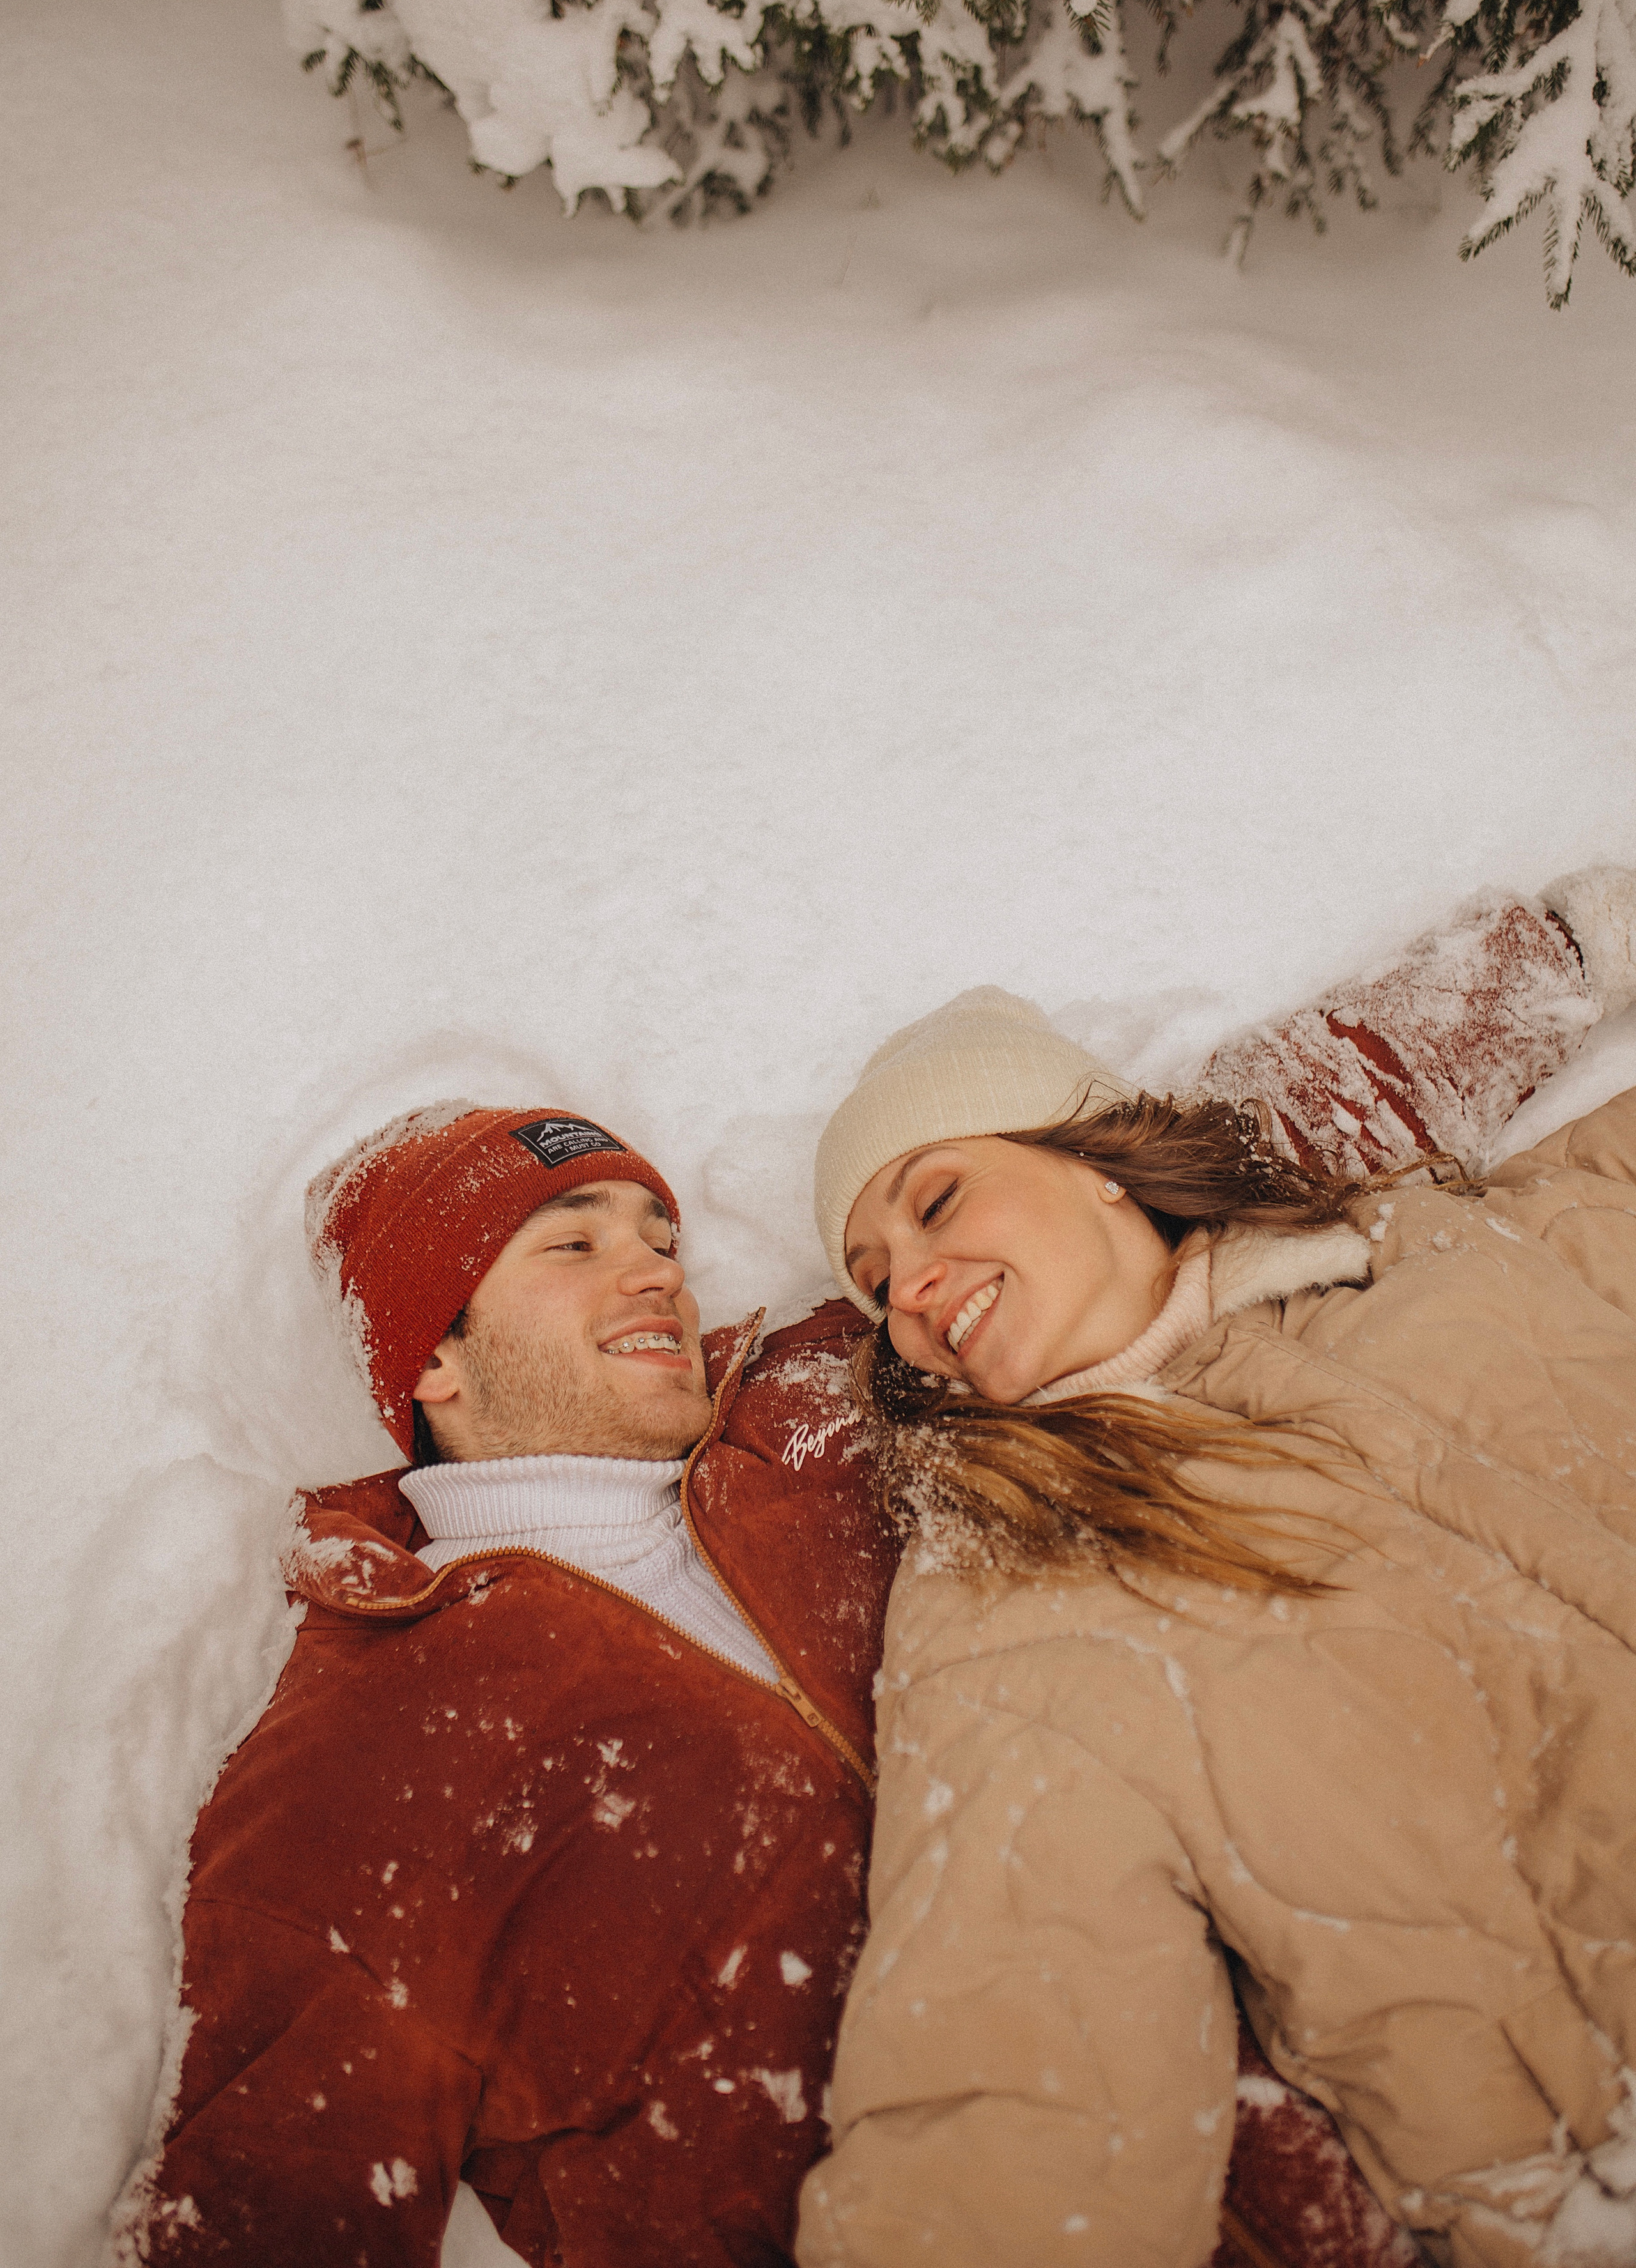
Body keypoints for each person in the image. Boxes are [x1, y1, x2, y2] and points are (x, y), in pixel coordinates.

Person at [116, 877, 1628, 2268]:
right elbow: (260, 2185)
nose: (655, 1268)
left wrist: (1548, 957)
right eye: (566, 1247)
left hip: (1398, 2140)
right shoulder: (367, 1754)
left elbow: (1157, 1179)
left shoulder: (849, 1397)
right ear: (430, 1352)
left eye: (657, 1232)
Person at [794, 868, 1636, 2268]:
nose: (913, 1288)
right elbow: (1012, 2045)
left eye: (936, 1201)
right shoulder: (1013, 1598)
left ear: (1094, 1157)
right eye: (875, 1281)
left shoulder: (1451, 1247)